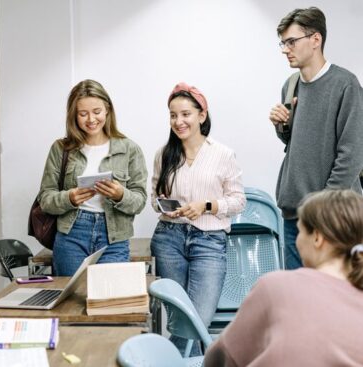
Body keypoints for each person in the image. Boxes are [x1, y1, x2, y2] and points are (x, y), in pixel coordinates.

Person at [204, 189, 363, 366]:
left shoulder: (276, 286)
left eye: (299, 231)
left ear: (317, 238)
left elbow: (219, 357)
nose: (296, 240)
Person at [150, 82, 246, 356]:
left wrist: (206, 205)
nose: (178, 121)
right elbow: (153, 199)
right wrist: (165, 207)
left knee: (197, 320)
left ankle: (167, 361)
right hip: (169, 239)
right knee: (181, 319)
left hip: (209, 242)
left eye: (185, 114)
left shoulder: (223, 154)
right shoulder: (164, 154)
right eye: (172, 115)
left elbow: (238, 201)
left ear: (202, 115)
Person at [269, 7, 363, 270]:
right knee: (300, 300)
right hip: (293, 215)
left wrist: (322, 208)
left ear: (315, 39)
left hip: (333, 216)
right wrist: (282, 125)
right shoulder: (290, 84)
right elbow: (296, 144)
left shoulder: (346, 85)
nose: (285, 49)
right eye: (283, 43)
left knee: (337, 300)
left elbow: (352, 155)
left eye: (291, 41)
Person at [38, 79, 147, 276]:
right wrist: (69, 198)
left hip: (114, 237)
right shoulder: (61, 149)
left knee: (108, 301)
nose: (91, 119)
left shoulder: (129, 149)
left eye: (97, 111)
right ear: (74, 116)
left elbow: (140, 201)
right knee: (70, 303)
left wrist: (120, 195)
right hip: (71, 235)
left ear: (107, 110)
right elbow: (45, 199)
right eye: (83, 114)